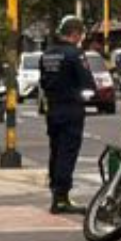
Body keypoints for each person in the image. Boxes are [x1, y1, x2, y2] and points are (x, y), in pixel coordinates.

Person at [39, 16, 91, 213]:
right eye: (81, 34)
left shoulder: (48, 54)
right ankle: (62, 198)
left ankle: (55, 193)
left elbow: (43, 82)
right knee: (68, 152)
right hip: (71, 108)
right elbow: (87, 83)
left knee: (56, 150)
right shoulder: (75, 54)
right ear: (75, 33)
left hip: (53, 108)